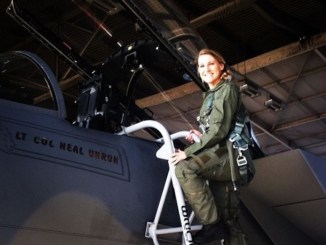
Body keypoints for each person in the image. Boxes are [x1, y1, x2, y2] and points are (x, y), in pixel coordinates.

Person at [170, 48, 250, 244]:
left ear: (221, 66)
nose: (206, 69)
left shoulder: (227, 89)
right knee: (228, 222)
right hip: (219, 154)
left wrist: (187, 153)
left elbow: (219, 132)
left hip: (228, 155)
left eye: (211, 64)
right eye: (202, 65)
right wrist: (201, 134)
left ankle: (211, 226)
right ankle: (215, 226)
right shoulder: (211, 94)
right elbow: (217, 128)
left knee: (184, 167)